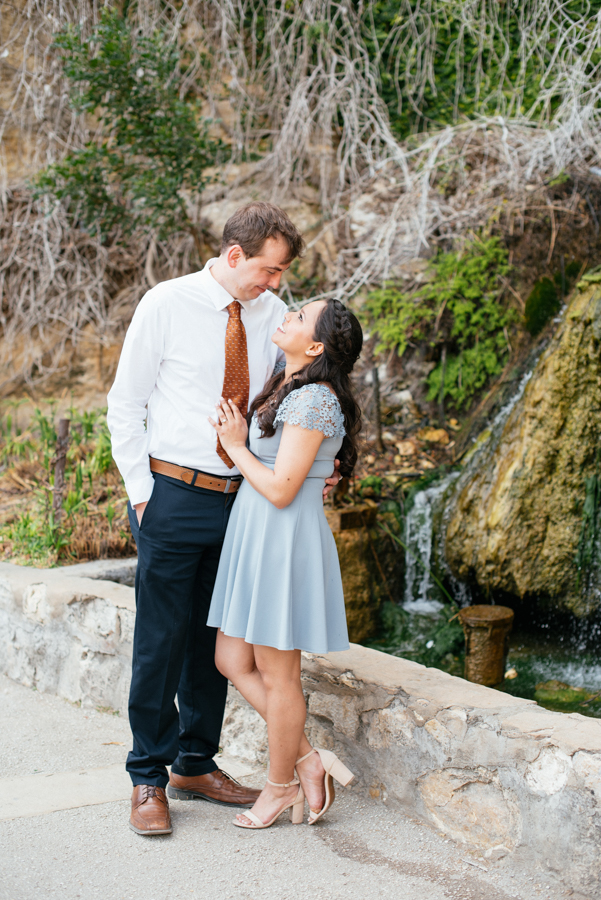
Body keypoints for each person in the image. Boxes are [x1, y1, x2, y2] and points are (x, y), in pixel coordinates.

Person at [107, 202, 340, 836]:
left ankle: (194, 762)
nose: (275, 285)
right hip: (172, 493)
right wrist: (141, 493)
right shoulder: (166, 304)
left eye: (281, 274)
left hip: (244, 504)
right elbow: (124, 404)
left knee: (216, 642)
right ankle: (148, 778)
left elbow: (290, 407)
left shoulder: (271, 319)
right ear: (235, 256)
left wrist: (317, 468)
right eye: (269, 270)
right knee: (160, 639)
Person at [207, 297, 363, 829]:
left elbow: (279, 489)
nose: (288, 315)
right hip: (255, 534)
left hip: (281, 538)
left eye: (300, 316)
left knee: (279, 676)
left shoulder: (316, 399)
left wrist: (234, 445)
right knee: (231, 658)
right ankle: (307, 760)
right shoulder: (290, 383)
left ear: (315, 346)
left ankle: (279, 789)